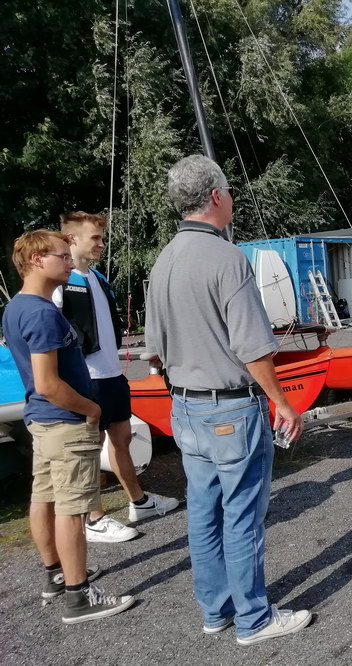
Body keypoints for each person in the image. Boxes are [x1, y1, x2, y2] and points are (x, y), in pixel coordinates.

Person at [145, 155, 311, 645]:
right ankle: (254, 619)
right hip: (231, 408)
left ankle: (215, 610)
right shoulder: (226, 257)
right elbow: (253, 347)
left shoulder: (163, 259)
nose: (232, 197)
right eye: (229, 190)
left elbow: (153, 351)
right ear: (216, 196)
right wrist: (282, 402)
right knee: (242, 516)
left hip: (186, 406)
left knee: (203, 513)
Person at [3, 230, 135, 624]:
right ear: (36, 260)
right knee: (72, 509)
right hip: (64, 421)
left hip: (42, 421)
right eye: (61, 256)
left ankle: (56, 575)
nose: (69, 262)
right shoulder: (42, 313)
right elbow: (48, 383)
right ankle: (80, 595)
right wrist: (91, 408)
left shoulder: (16, 307)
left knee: (43, 498)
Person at [55, 212, 179, 543]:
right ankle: (93, 518)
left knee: (122, 439)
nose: (101, 244)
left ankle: (139, 502)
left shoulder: (98, 278)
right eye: (95, 238)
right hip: (86, 379)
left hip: (112, 375)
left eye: (102, 237)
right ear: (72, 239)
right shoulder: (60, 284)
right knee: (89, 448)